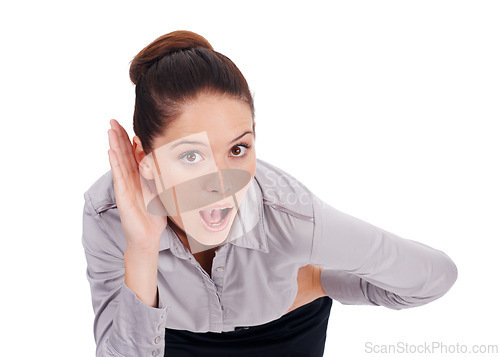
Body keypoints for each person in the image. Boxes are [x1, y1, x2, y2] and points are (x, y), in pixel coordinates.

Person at [82, 30, 458, 357]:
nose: (222, 182)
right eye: (191, 155)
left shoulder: (290, 216)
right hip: (165, 339)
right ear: (143, 157)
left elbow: (435, 277)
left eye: (238, 149)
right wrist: (142, 248)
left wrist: (322, 281)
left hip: (284, 332)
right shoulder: (108, 213)